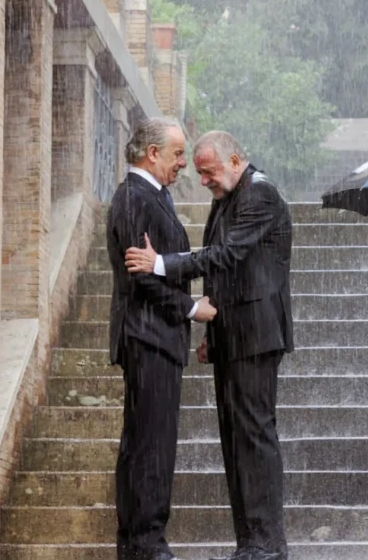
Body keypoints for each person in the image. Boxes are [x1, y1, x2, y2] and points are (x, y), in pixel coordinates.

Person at [124, 131, 294, 560]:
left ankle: (268, 543)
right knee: (234, 440)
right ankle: (250, 543)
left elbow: (225, 256)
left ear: (235, 159)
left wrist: (161, 263)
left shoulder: (261, 195)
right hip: (231, 336)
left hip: (257, 336)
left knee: (254, 437)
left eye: (208, 171)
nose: (203, 181)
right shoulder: (227, 197)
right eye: (198, 172)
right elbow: (224, 277)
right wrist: (210, 336)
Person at [107, 118, 217, 560]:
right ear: (152, 153)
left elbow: (156, 266)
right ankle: (146, 542)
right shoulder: (135, 197)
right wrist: (192, 309)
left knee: (147, 441)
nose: (181, 165)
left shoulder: (151, 196)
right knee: (150, 445)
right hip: (147, 337)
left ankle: (138, 542)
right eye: (176, 155)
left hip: (156, 339)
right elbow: (141, 278)